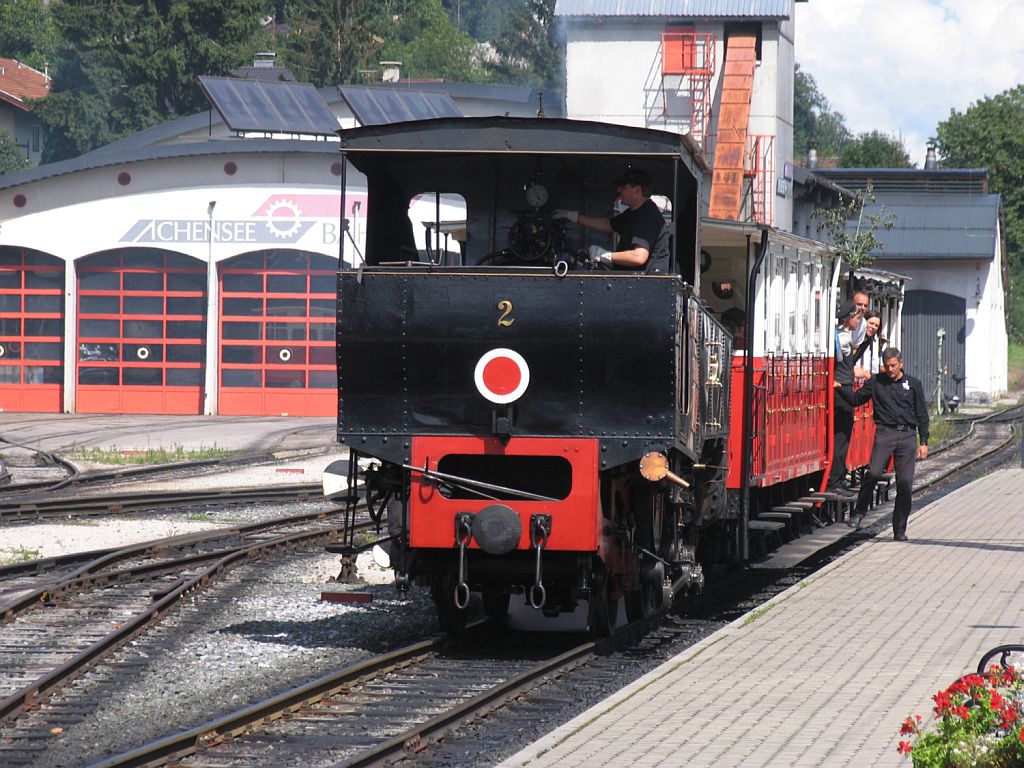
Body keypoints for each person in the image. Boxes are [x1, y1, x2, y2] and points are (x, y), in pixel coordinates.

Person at [836, 347, 929, 541]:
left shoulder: (913, 384)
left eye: (893, 366)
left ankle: (900, 529)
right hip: (885, 433)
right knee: (874, 472)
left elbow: (922, 415)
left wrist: (924, 441)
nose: (890, 369)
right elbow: (856, 399)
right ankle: (859, 512)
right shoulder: (876, 382)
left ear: (901, 364)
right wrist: (840, 387)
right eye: (887, 366)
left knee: (904, 483)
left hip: (907, 436)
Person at [552, 168, 669, 273]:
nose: (618, 190)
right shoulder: (633, 213)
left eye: (623, 187)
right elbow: (607, 224)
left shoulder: (647, 215)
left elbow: (638, 256)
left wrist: (605, 255)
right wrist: (571, 215)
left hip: (645, 287)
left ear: (637, 190)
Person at [828, 298, 863, 496]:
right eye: (857, 318)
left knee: (842, 437)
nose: (858, 322)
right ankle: (836, 479)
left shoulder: (841, 337)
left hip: (842, 386)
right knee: (841, 437)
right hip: (842, 390)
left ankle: (837, 478)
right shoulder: (842, 339)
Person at [853, 310, 883, 384]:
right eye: (871, 323)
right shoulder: (855, 336)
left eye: (876, 325)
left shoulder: (867, 340)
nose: (873, 327)